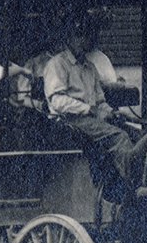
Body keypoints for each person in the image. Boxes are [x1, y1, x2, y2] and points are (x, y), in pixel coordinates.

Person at [42, 14, 141, 173]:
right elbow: (57, 101)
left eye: (86, 35)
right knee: (119, 138)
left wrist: (112, 112)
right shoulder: (57, 65)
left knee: (138, 135)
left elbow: (100, 101)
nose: (84, 40)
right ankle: (131, 185)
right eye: (79, 35)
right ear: (69, 38)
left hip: (91, 120)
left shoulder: (90, 68)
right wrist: (89, 109)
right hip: (69, 121)